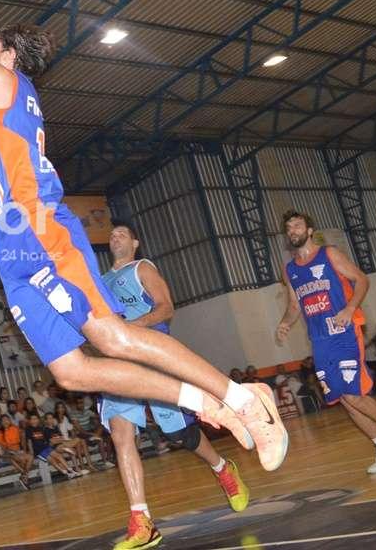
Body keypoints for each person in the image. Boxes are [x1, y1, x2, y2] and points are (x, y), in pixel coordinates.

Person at [0, 0, 287, 474]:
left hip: (42, 230)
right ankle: (207, 404)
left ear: (8, 56)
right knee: (72, 373)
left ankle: (242, 397)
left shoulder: (1, 79)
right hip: (11, 249)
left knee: (113, 337)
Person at [99, 222, 249, 549]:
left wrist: (133, 328)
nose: (115, 236)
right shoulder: (101, 281)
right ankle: (142, 522)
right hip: (120, 362)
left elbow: (166, 307)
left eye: (122, 233)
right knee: (121, 433)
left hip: (153, 353)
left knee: (180, 435)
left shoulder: (142, 268)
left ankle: (223, 468)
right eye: (112, 234)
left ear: (135, 243)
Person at [277, 210, 376, 474]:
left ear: (309, 231)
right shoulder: (290, 270)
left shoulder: (329, 254)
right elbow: (294, 305)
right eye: (289, 227)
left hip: (344, 333)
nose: (292, 230)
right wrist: (285, 322)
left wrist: (350, 308)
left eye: (297, 225)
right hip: (319, 341)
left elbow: (361, 279)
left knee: (353, 394)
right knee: (343, 398)